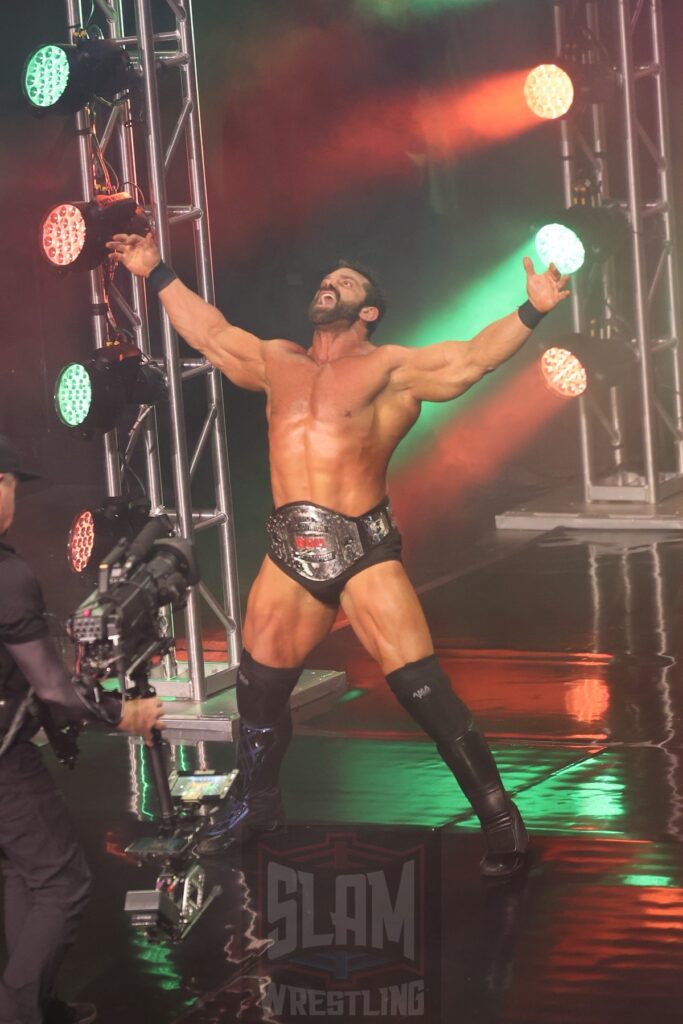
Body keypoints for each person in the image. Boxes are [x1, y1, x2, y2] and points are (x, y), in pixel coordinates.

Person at [108, 231, 569, 877]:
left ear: (369, 311)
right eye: (328, 279)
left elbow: (468, 359)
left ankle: (497, 813)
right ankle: (257, 803)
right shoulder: (278, 360)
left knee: (420, 687)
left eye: (346, 283)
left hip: (362, 550)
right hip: (289, 551)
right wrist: (154, 270)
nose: (331, 284)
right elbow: (209, 334)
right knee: (259, 693)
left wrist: (531, 309)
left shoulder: (390, 369)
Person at [0, 437, 166, 1024]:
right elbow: (50, 687)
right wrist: (125, 714)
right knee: (63, 885)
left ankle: (34, 1004)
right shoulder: (8, 575)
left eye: (9, 483)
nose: (7, 496)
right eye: (5, 483)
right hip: (3, 768)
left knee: (24, 873)